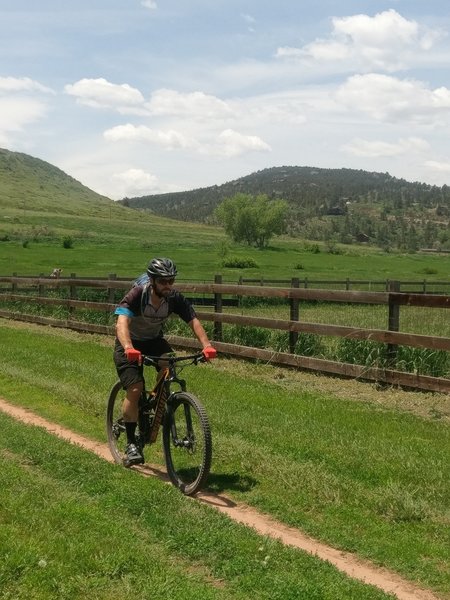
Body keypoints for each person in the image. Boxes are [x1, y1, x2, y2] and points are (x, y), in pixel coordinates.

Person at [113, 257, 217, 467]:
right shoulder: (137, 294)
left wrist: (206, 346)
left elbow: (193, 319)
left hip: (153, 340)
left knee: (168, 366)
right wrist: (128, 348)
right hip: (129, 342)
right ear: (152, 281)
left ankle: (153, 400)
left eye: (171, 281)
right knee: (134, 388)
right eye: (163, 281)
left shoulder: (174, 298)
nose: (168, 285)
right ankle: (132, 444)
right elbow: (121, 322)